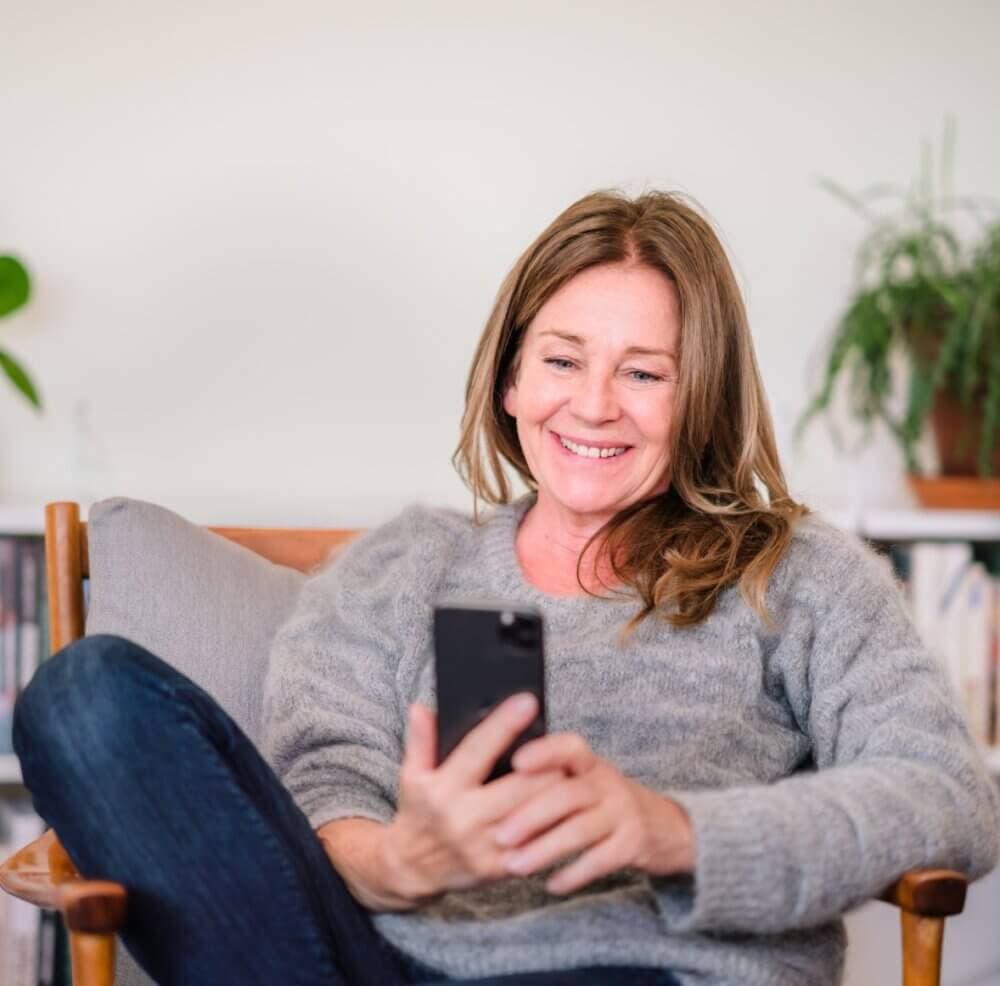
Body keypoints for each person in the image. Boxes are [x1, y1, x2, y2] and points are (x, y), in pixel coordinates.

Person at [13, 189, 1000, 986]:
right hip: (389, 962)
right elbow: (322, 789)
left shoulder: (797, 574)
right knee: (80, 691)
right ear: (512, 381)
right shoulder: (401, 568)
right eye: (562, 359)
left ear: (699, 393)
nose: (593, 403)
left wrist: (674, 829)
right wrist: (408, 858)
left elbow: (950, 795)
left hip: (655, 971)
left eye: (645, 372)